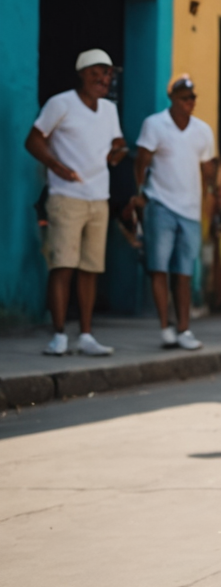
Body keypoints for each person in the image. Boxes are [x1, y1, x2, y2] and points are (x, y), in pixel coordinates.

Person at [25, 49, 126, 357]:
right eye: (96, 71)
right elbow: (34, 139)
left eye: (108, 73)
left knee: (90, 269)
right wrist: (56, 166)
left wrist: (118, 150)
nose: (103, 78)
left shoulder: (109, 110)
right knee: (62, 266)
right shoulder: (61, 103)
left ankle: (85, 335)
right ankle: (58, 335)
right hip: (66, 197)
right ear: (81, 72)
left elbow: (116, 142)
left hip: (99, 197)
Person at [132, 74, 219, 350]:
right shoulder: (155, 125)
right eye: (184, 97)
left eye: (192, 97)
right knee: (159, 268)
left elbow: (208, 169)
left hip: (191, 210)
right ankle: (165, 327)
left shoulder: (203, 131)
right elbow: (141, 162)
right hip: (160, 205)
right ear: (172, 98)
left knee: (184, 272)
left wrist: (213, 195)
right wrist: (139, 194)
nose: (189, 102)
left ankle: (184, 329)